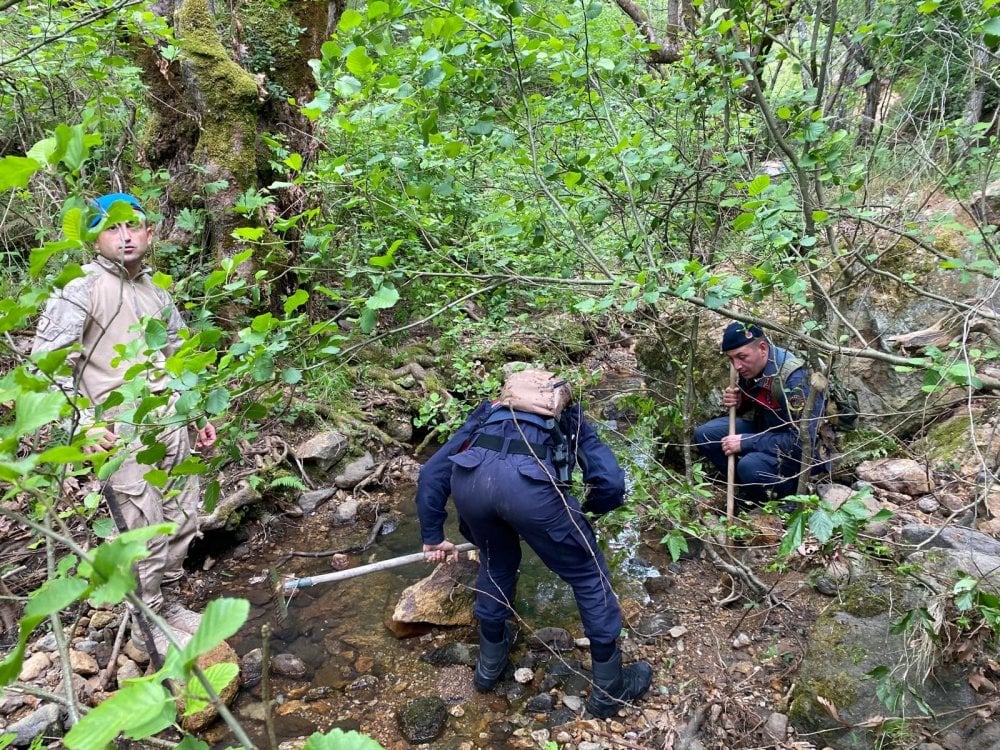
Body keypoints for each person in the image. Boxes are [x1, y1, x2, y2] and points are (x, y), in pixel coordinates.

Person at [31, 192, 216, 655]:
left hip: (171, 423)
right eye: (113, 227)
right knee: (140, 527)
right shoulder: (80, 288)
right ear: (95, 236)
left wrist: (198, 415)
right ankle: (146, 622)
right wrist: (86, 424)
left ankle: (166, 605)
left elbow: (179, 357)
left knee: (182, 518)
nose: (126, 235)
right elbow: (44, 366)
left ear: (150, 233)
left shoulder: (156, 292)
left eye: (133, 225)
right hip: (119, 431)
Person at [415, 373, 653, 718]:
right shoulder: (570, 417)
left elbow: (431, 474)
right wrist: (584, 513)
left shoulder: (487, 414)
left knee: (495, 561)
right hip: (533, 493)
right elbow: (611, 482)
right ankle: (609, 689)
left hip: (471, 485)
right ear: (559, 402)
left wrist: (433, 535)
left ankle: (488, 669)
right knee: (588, 574)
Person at [693, 321, 826, 509]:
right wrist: (740, 403)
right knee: (706, 435)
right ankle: (751, 489)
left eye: (741, 357)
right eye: (731, 359)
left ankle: (790, 493)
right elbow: (760, 401)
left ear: (762, 348)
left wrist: (746, 441)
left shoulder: (795, 379)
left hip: (801, 454)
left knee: (749, 465)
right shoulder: (753, 368)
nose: (737, 366)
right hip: (767, 432)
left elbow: (803, 442)